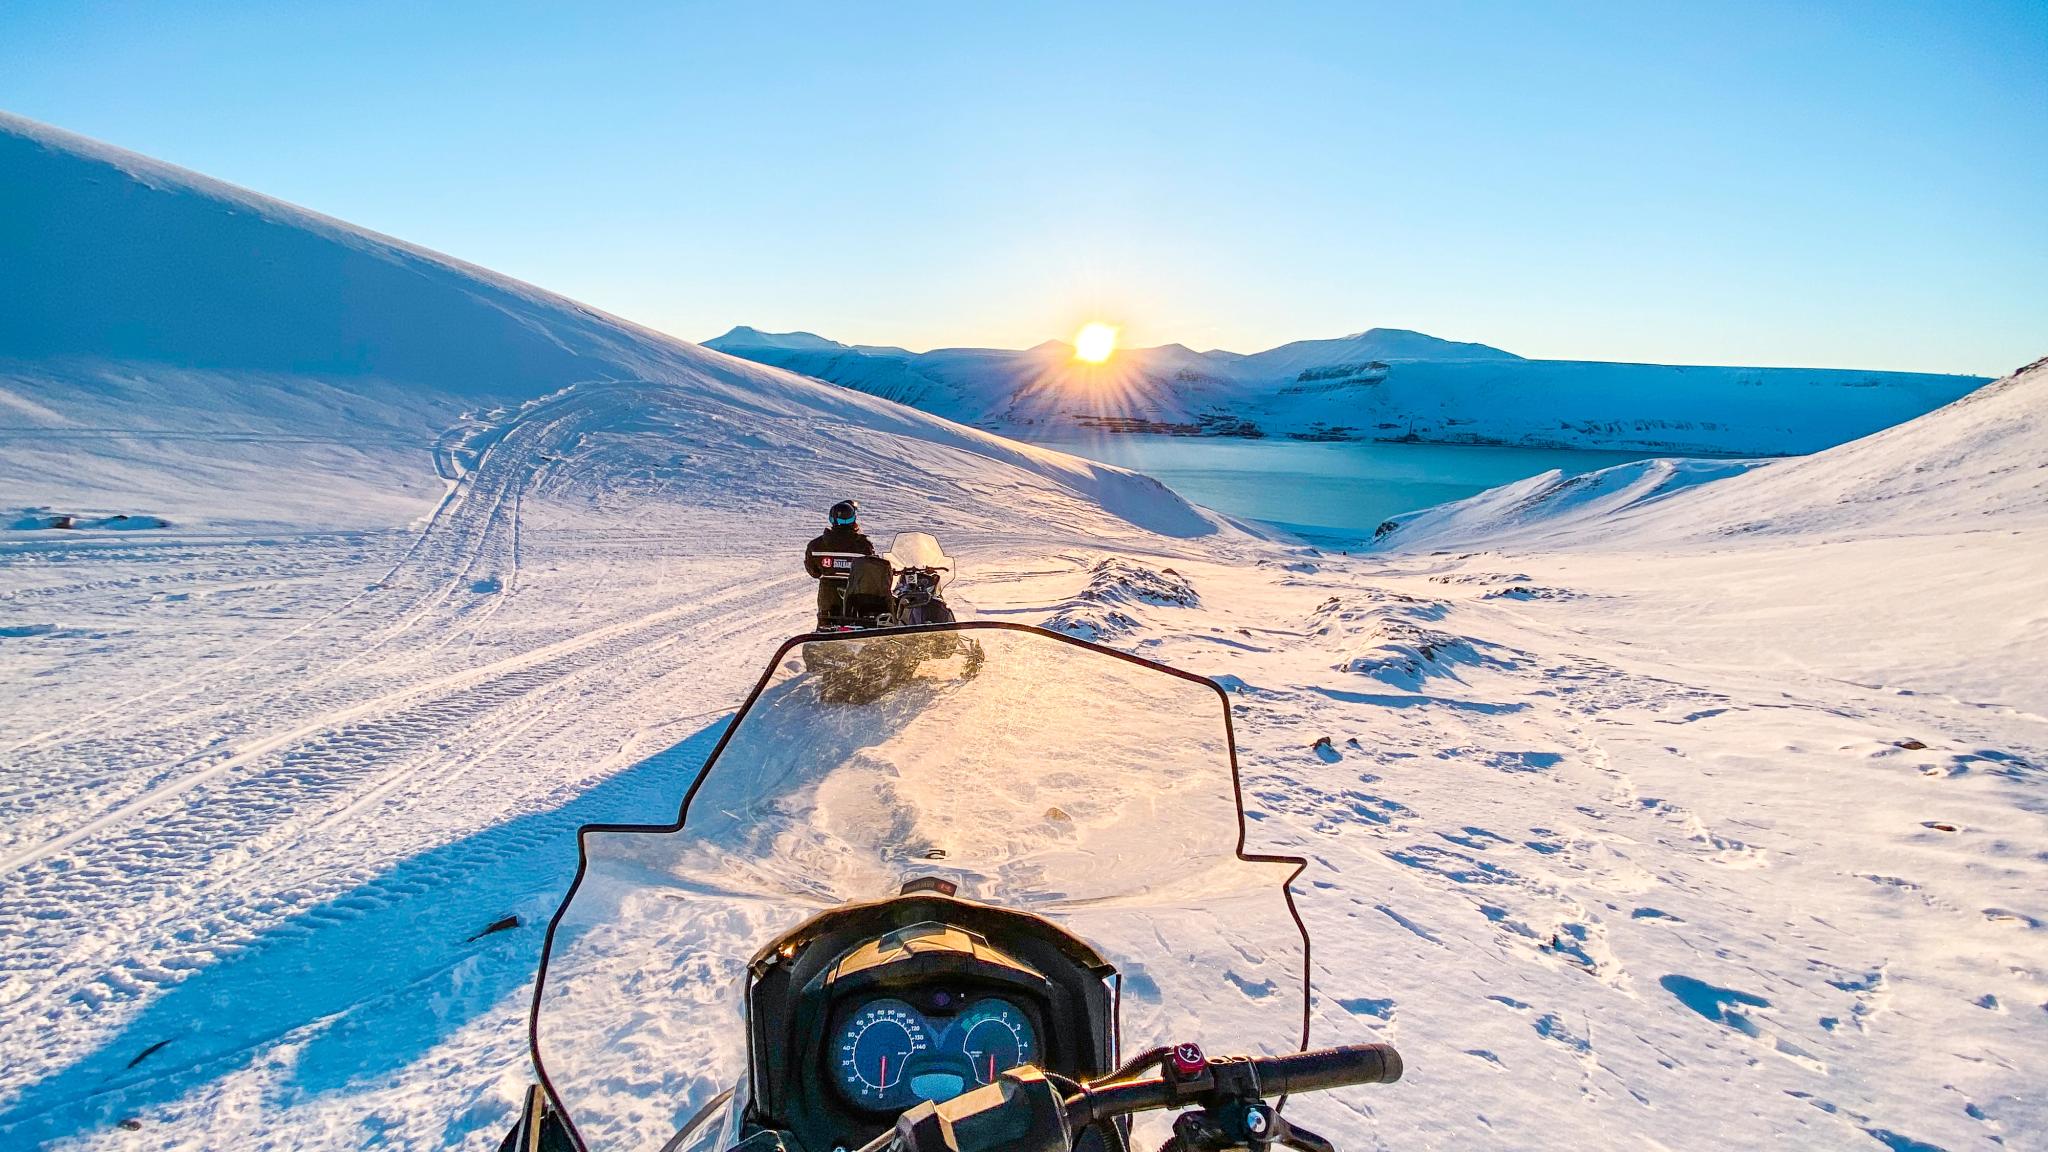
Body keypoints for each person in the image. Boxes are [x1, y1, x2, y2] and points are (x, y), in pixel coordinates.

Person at [805, 499, 876, 625]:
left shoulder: (816, 546)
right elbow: (871, 571)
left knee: (826, 629)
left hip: (828, 599)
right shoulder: (864, 546)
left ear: (831, 520)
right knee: (858, 629)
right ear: (853, 519)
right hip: (856, 598)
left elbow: (814, 572)